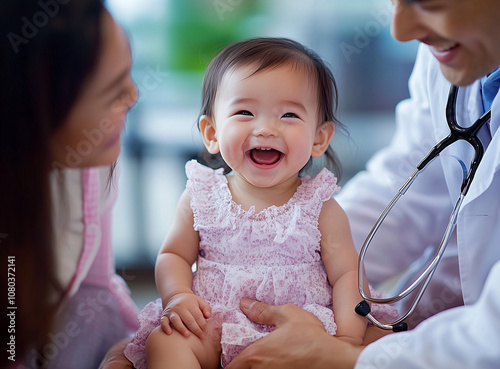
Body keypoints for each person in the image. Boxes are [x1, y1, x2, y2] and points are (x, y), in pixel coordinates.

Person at [223, 1, 500, 368]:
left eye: (430, 3)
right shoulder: (458, 57)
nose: (401, 31)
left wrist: (350, 356)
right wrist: (276, 266)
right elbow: (406, 191)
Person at [123, 37, 397, 369]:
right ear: (211, 133)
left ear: (318, 139)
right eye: (244, 112)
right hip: (214, 323)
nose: (266, 128)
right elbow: (173, 255)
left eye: (289, 115)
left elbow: (347, 275)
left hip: (301, 329)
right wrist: (178, 296)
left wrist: (346, 342)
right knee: (166, 342)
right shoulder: (202, 196)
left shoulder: (320, 207)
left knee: (385, 343)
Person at [0, 1, 139, 368]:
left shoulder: (89, 165)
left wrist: (129, 350)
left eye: (129, 73)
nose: (133, 96)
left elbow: (98, 287)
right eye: (112, 92)